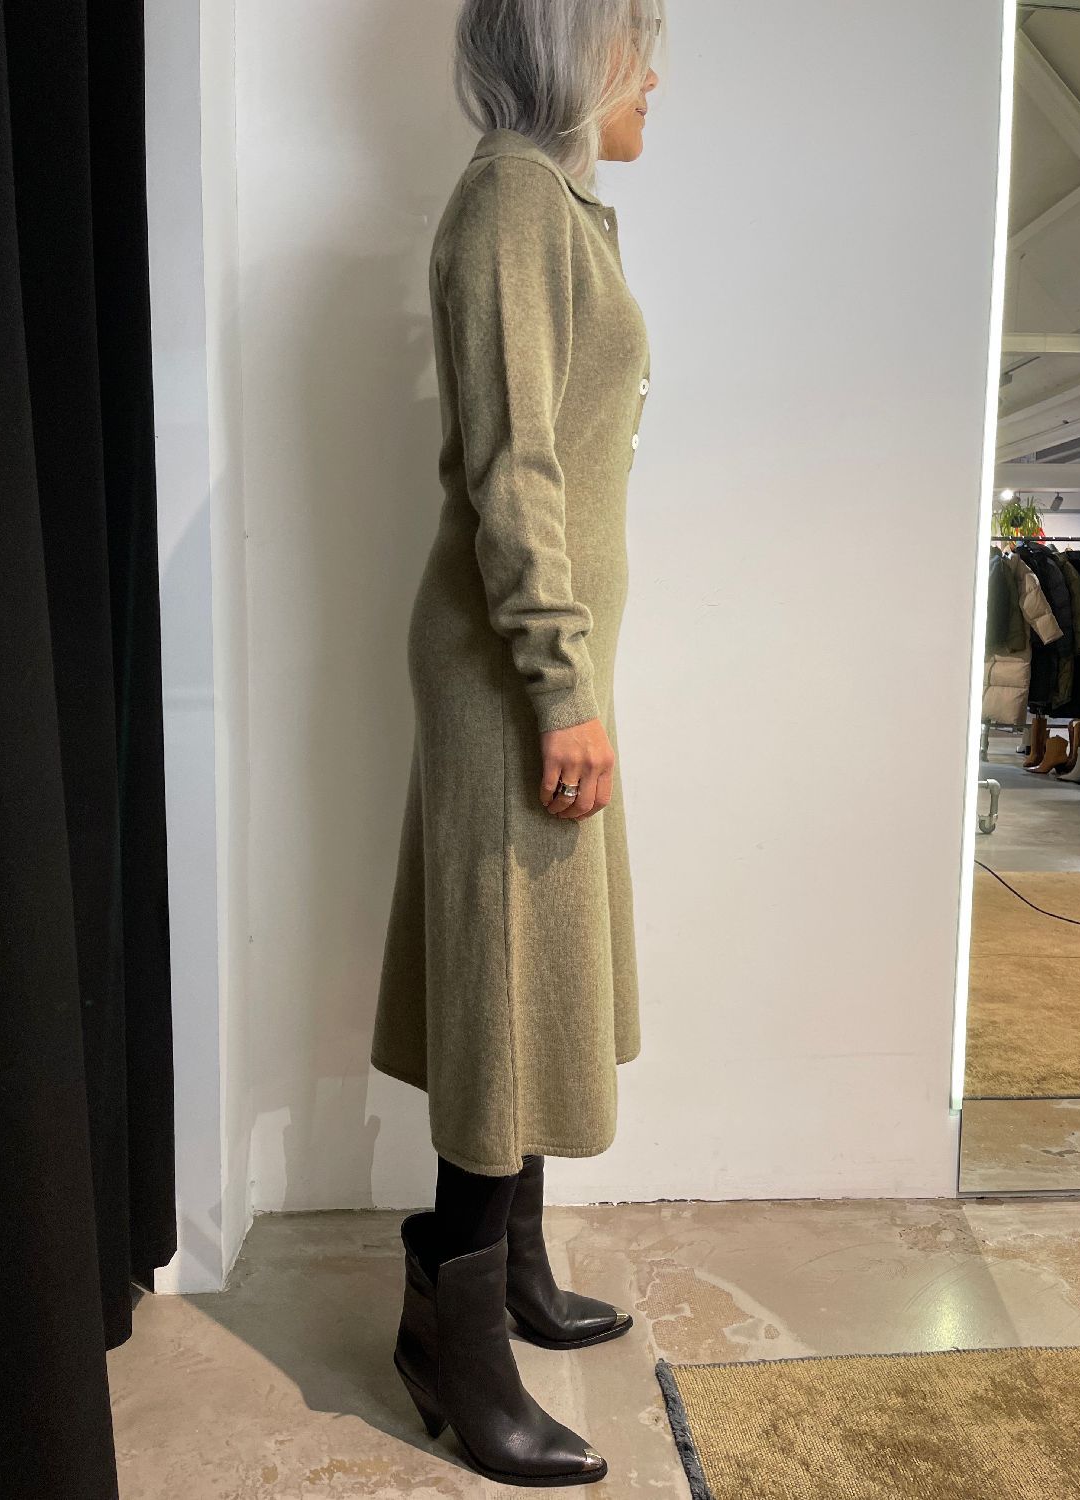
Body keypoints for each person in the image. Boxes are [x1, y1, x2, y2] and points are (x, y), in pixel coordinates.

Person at [370, 0, 663, 1484]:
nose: (653, 75)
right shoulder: (509, 202)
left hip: (536, 659)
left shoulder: (550, 206)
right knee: (505, 983)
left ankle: (516, 1270)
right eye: (635, 41)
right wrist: (559, 682)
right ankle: (453, 1339)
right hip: (510, 666)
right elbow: (512, 467)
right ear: (567, 48)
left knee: (531, 970)